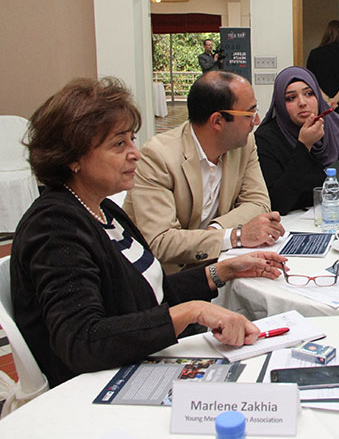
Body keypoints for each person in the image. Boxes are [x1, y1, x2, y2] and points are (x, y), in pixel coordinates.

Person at [11, 77, 288, 387]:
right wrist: (193, 312)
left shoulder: (104, 211)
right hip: (101, 384)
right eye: (119, 144)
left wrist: (222, 270)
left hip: (138, 358)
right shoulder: (55, 227)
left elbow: (151, 295)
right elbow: (83, 341)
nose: (136, 153)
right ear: (73, 157)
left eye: (132, 139)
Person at [123, 71, 284, 272]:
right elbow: (160, 241)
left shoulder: (244, 143)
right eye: (250, 114)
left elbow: (259, 203)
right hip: (164, 278)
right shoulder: (157, 156)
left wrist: (215, 230)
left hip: (218, 265)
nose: (257, 120)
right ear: (217, 121)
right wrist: (236, 235)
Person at [254, 66, 339, 215]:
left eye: (309, 94)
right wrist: (304, 146)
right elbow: (277, 203)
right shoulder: (267, 138)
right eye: (291, 98)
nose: (302, 102)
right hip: (292, 225)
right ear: (280, 104)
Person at [306, 20, 339, 124]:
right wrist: (334, 101)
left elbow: (312, 80)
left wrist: (327, 101)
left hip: (320, 102)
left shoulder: (314, 54)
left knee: (321, 134)